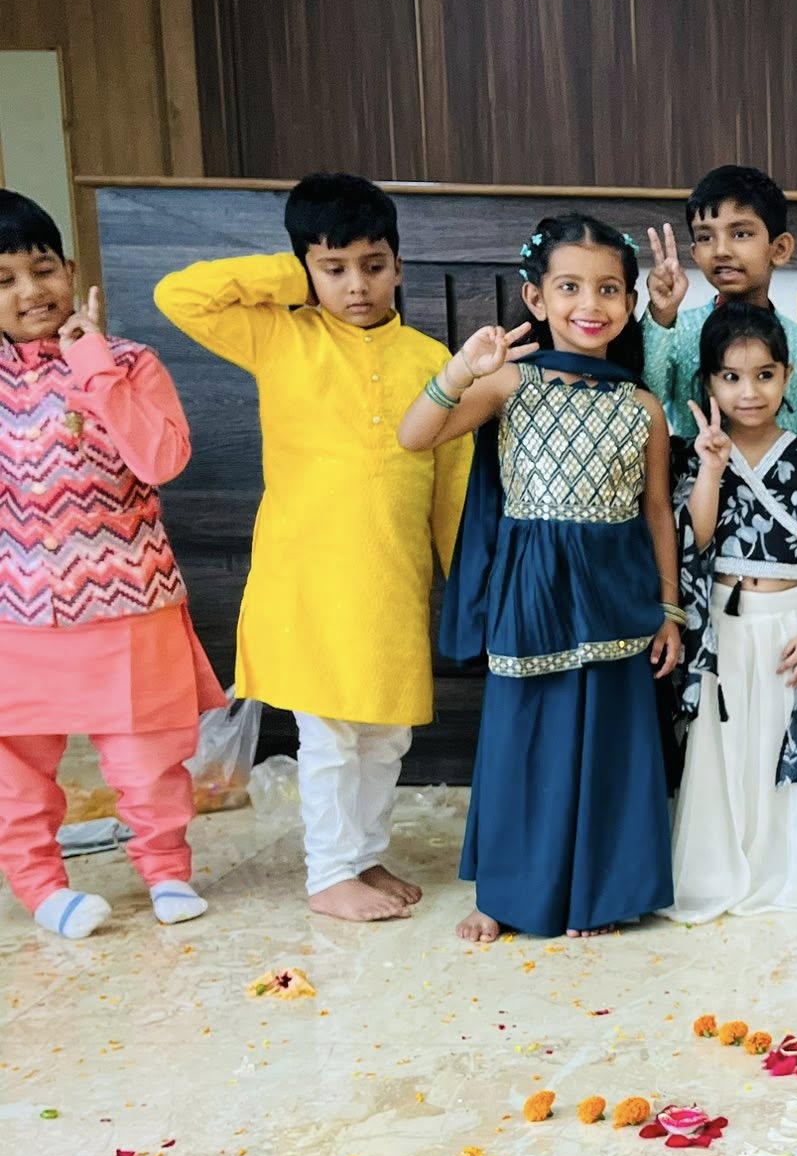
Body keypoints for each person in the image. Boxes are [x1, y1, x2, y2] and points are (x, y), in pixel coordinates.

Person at [155, 172, 471, 922]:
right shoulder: (280, 335)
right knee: (329, 735)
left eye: (372, 265)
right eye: (334, 268)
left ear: (399, 266)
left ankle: (362, 857)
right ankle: (329, 874)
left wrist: (463, 579)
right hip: (308, 578)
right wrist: (292, 278)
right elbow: (179, 295)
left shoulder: (431, 359)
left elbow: (452, 481)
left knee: (385, 735)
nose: (356, 285)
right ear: (306, 270)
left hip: (391, 578)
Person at [400, 214, 678, 942]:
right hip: (531, 589)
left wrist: (671, 612)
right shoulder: (508, 383)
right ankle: (504, 894)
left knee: (610, 744)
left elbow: (656, 513)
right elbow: (415, 436)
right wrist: (461, 370)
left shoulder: (642, 406)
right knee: (522, 742)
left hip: (617, 593)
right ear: (536, 298)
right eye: (570, 287)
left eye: (610, 289)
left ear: (631, 303)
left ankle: (600, 895)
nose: (591, 304)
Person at [0, 189, 225, 937]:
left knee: (148, 757)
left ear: (70, 269)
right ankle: (40, 887)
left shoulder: (129, 362)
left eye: (42, 269)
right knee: (14, 768)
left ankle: (165, 870)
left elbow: (160, 460)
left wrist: (93, 364)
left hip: (131, 604)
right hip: (16, 616)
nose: (30, 292)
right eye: (4, 280)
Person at [668, 302, 797, 920]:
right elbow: (693, 542)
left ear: (786, 376)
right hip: (725, 624)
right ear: (708, 382)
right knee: (725, 747)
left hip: (792, 624)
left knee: (787, 740)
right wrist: (710, 467)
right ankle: (719, 872)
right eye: (730, 377)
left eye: (764, 375)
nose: (748, 392)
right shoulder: (696, 455)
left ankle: (792, 871)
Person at [640, 165, 797, 449]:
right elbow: (642, 408)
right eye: (705, 237)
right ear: (695, 253)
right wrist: (661, 315)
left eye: (740, 234)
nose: (721, 250)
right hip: (695, 477)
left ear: (780, 249)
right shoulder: (677, 332)